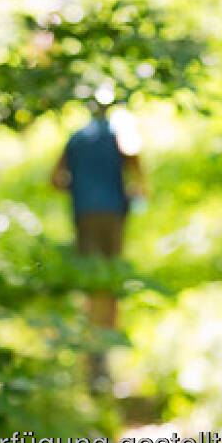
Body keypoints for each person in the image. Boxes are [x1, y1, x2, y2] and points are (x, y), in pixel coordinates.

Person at [51, 93, 145, 386]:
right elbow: (138, 172)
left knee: (92, 283)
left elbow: (55, 179)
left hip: (84, 215)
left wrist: (78, 188)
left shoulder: (76, 139)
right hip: (114, 215)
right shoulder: (119, 136)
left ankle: (92, 357)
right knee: (110, 282)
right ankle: (103, 354)